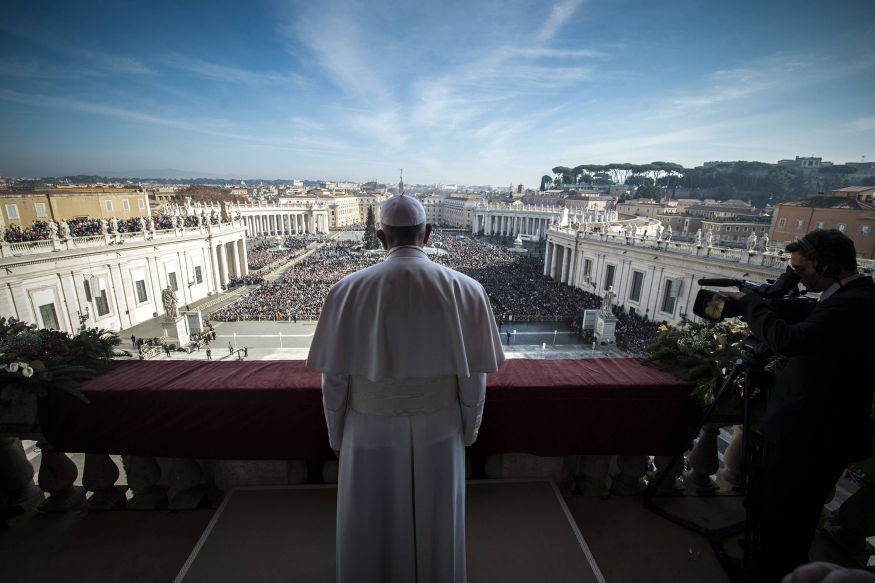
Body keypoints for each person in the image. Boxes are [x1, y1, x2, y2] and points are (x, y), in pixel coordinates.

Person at [307, 193, 505, 583]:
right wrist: (468, 430)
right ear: (428, 233)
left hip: (367, 428)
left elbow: (334, 383)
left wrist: (337, 435)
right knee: (437, 521)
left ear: (381, 237)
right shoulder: (467, 289)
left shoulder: (344, 291)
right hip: (440, 426)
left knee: (370, 520)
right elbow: (474, 381)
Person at [726, 229, 875, 582]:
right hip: (813, 427)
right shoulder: (852, 297)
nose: (799, 278)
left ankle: (774, 574)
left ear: (828, 265)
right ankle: (768, 566)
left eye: (802, 269)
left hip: (813, 433)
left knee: (787, 516)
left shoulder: (854, 302)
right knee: (784, 512)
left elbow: (790, 341)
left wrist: (752, 306)